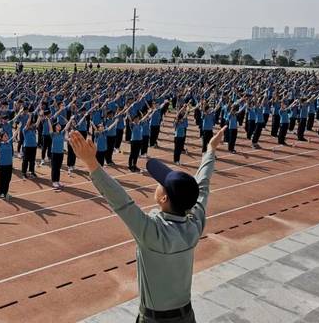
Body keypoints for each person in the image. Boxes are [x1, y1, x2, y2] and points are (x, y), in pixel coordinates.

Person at [68, 126, 226, 323]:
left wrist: (91, 163)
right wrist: (210, 150)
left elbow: (121, 201)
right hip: (186, 316)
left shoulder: (153, 232)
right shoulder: (194, 225)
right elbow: (202, 187)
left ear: (164, 198)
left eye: (161, 182)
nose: (157, 183)